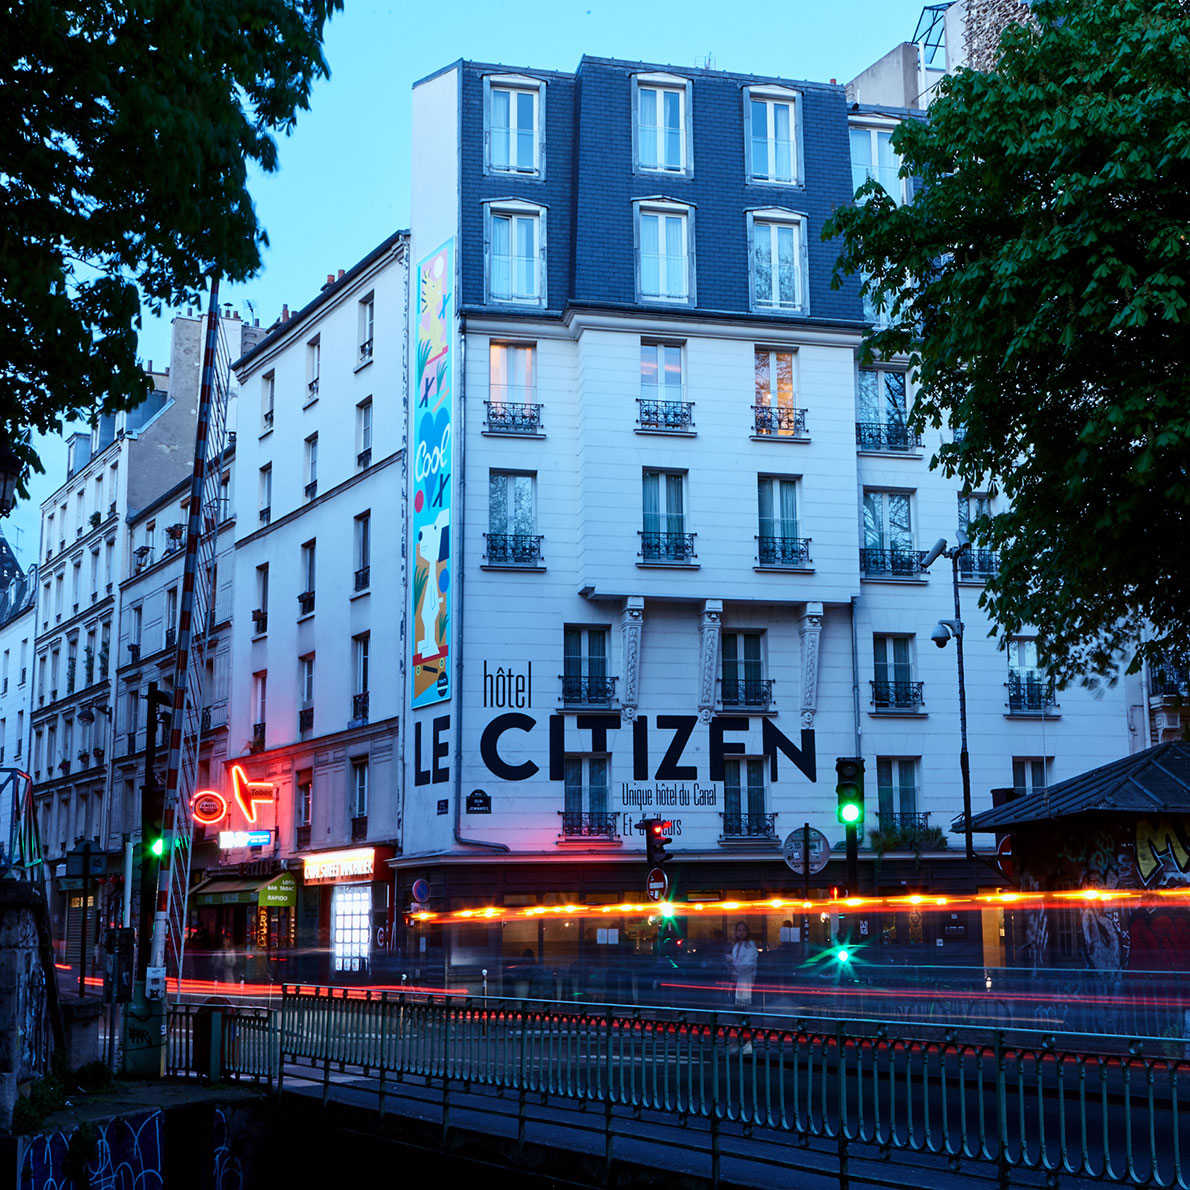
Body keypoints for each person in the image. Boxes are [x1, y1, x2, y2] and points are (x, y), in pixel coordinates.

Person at [727, 921, 758, 1055]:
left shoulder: (750, 947)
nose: (740, 933)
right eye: (738, 930)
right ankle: (744, 1041)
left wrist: (732, 961)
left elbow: (746, 966)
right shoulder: (736, 946)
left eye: (743, 930)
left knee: (742, 1013)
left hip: (745, 983)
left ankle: (748, 1042)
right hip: (736, 983)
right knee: (738, 1012)